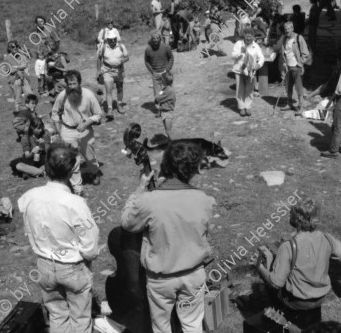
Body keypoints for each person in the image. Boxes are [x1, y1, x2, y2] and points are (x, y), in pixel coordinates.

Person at [121, 140, 215, 333]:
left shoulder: (149, 201)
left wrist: (140, 188)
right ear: (192, 169)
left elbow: (127, 222)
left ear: (165, 166)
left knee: (161, 327)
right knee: (193, 325)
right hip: (193, 275)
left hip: (161, 279)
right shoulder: (204, 199)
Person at [18, 145, 100, 333]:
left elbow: (28, 228)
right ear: (72, 170)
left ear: (46, 167)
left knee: (56, 315)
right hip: (72, 266)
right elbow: (90, 242)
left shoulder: (29, 196)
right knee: (80, 318)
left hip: (44, 265)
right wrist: (87, 256)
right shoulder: (75, 203)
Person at [252, 199, 341, 318]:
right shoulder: (327, 238)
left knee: (268, 282)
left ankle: (277, 318)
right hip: (321, 297)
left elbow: (276, 283)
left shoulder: (288, 246)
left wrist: (260, 267)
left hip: (297, 301)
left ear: (294, 219)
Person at [51, 70, 103, 195]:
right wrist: (59, 132)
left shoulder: (89, 95)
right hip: (67, 130)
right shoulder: (62, 95)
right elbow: (54, 112)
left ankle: (94, 172)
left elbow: (98, 115)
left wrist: (86, 124)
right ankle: (78, 188)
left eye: (74, 83)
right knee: (72, 159)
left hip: (86, 131)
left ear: (79, 83)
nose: (72, 87)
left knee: (89, 156)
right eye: (69, 84)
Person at [274, 21, 310, 116]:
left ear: (292, 28)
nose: (287, 30)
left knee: (298, 88)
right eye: (285, 29)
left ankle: (301, 107)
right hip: (288, 67)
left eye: (289, 28)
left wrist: (300, 63)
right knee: (288, 87)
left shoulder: (299, 38)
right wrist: (284, 62)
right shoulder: (284, 39)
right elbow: (282, 51)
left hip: (296, 67)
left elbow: (305, 53)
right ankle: (289, 103)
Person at [232, 29, 265, 117]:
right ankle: (241, 107)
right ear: (244, 36)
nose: (248, 38)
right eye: (247, 36)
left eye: (250, 36)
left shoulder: (255, 46)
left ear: (253, 37)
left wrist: (258, 64)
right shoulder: (239, 44)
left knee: (250, 89)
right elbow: (232, 56)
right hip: (239, 70)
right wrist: (240, 52)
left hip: (250, 71)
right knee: (240, 89)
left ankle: (248, 106)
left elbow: (261, 58)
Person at [97, 30, 129, 119]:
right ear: (107, 40)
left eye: (114, 39)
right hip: (107, 71)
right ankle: (110, 109)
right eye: (111, 40)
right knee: (108, 90)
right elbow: (99, 58)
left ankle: (119, 104)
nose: (113, 41)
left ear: (116, 39)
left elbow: (127, 57)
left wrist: (123, 60)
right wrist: (98, 70)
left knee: (119, 88)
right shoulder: (103, 47)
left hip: (119, 70)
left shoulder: (121, 46)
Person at [145, 32, 175, 116]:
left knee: (167, 92)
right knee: (158, 94)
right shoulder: (148, 49)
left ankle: (168, 108)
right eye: (153, 39)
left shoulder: (165, 47)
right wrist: (152, 71)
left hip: (165, 74)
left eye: (157, 38)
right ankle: (160, 111)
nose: (155, 40)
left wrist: (167, 69)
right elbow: (146, 61)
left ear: (160, 39)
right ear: (151, 40)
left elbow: (171, 58)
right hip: (156, 74)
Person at [4, 40, 33, 113]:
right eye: (13, 47)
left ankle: (32, 111)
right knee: (17, 98)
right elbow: (8, 70)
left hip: (23, 78)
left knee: (30, 94)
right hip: (15, 79)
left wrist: (15, 67)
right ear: (9, 48)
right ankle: (18, 113)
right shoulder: (7, 58)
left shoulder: (21, 56)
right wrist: (19, 67)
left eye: (16, 46)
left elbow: (25, 66)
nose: (15, 48)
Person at [155, 71, 176, 140]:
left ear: (164, 81)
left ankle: (174, 144)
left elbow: (158, 98)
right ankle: (170, 143)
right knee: (167, 130)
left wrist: (158, 105)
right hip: (164, 112)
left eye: (161, 80)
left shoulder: (168, 91)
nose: (160, 81)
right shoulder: (167, 88)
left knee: (168, 131)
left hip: (168, 113)